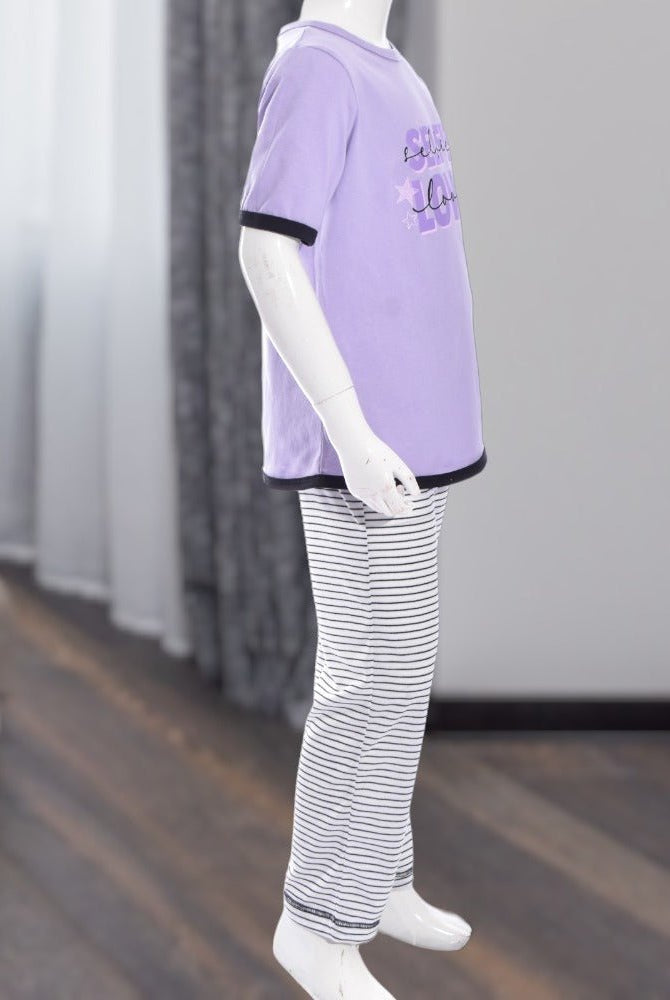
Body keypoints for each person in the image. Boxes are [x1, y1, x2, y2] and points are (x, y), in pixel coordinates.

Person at [238, 2, 486, 995]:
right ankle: (316, 923)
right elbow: (267, 249)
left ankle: (377, 878)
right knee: (367, 672)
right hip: (366, 439)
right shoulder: (318, 70)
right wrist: (347, 428)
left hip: (417, 424)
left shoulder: (385, 62)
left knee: (401, 662)